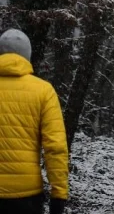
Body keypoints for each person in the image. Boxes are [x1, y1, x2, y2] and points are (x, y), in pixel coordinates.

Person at [0, 28, 68, 213]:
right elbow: (55, 147)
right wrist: (59, 194)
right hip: (26, 198)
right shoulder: (43, 91)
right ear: (27, 55)